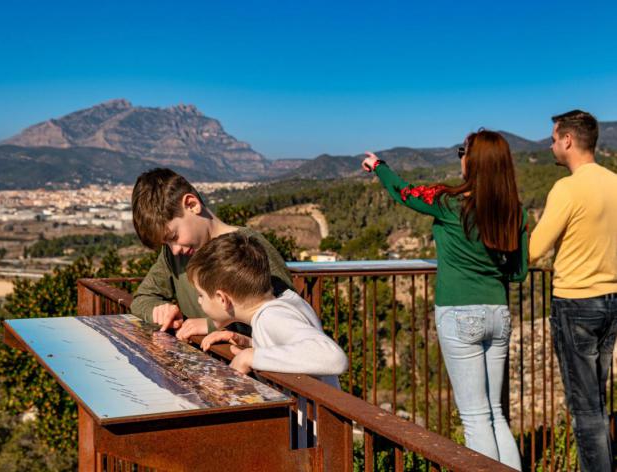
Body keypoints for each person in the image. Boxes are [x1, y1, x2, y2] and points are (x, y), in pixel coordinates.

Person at [362, 130, 527, 470]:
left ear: (473, 161)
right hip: (499, 314)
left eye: (462, 152)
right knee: (495, 414)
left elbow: (403, 193)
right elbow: (519, 272)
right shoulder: (516, 212)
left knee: (475, 418)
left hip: (460, 314)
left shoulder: (450, 202)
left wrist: (379, 165)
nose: (460, 157)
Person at [529, 110, 617, 472]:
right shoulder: (614, 182)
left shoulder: (566, 188)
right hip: (611, 301)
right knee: (598, 399)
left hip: (576, 302)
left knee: (585, 410)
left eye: (553, 138)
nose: (550, 144)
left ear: (567, 140)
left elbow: (534, 250)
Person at [130, 168, 294, 337]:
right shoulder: (173, 254)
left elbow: (288, 316)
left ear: (192, 205)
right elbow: (142, 298)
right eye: (166, 243)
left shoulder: (249, 247)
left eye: (174, 236)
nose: (174, 249)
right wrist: (159, 311)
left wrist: (212, 325)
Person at [184, 231, 348, 388]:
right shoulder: (283, 302)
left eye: (201, 295)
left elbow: (334, 357)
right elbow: (289, 346)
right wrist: (249, 343)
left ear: (222, 299)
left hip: (315, 417)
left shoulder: (271, 318)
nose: (199, 301)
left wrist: (250, 357)